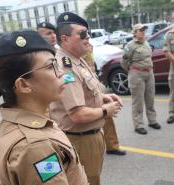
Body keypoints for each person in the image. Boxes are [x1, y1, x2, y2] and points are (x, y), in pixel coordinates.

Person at [0, 30, 89, 184]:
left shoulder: (9, 125)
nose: (60, 73)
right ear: (24, 85)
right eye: (50, 66)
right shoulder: (36, 147)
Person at [49, 12, 123, 185]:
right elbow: (77, 114)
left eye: (88, 33)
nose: (87, 37)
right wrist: (106, 110)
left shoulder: (77, 59)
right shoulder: (66, 66)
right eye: (82, 34)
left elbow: (84, 92)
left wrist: (103, 96)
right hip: (80, 139)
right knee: (88, 181)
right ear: (65, 39)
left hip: (90, 136)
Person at [83, 47, 126, 156]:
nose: (86, 36)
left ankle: (112, 146)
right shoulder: (65, 51)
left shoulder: (88, 46)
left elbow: (92, 64)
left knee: (107, 116)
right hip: (80, 84)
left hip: (93, 81)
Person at [121, 23, 161, 135]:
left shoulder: (146, 42)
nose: (143, 32)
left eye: (144, 30)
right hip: (137, 74)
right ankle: (138, 125)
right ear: (135, 33)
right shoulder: (130, 45)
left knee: (150, 99)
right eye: (140, 30)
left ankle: (152, 121)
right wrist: (132, 71)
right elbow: (124, 62)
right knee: (138, 101)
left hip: (149, 73)